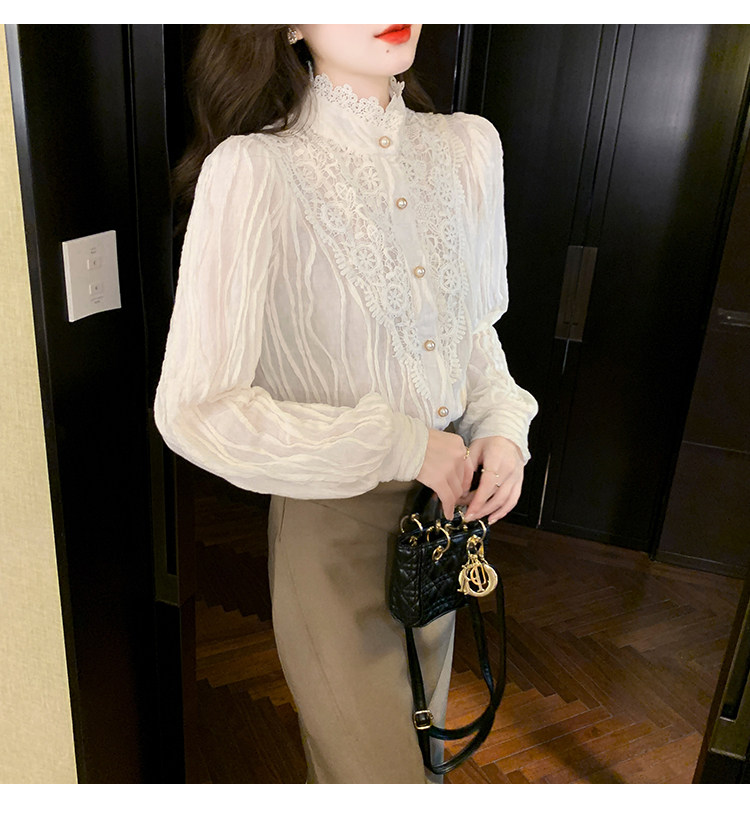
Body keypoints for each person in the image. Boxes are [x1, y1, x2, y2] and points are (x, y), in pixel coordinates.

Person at [154, 24, 538, 784]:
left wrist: (502, 426)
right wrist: (401, 443)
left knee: (426, 757)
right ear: (289, 22)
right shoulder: (255, 170)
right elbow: (194, 409)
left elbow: (469, 335)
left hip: (444, 520)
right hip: (332, 529)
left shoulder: (465, 149)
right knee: (372, 780)